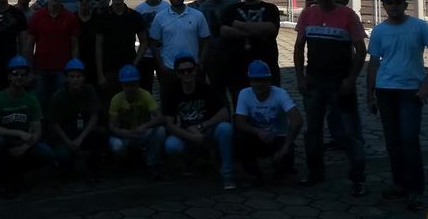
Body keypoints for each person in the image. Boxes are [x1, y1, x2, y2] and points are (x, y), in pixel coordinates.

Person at [367, 0, 428, 212]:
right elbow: (373, 63)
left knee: (409, 139)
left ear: (405, 4)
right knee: (392, 141)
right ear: (384, 5)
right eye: (389, 3)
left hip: (410, 92)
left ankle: (415, 189)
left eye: (397, 2)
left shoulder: (420, 27)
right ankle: (399, 184)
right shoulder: (380, 31)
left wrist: (425, 85)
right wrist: (369, 95)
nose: (393, 6)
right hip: (385, 91)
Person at [294, 0, 368, 196]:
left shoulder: (348, 16)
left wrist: (351, 79)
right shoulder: (308, 15)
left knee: (350, 131)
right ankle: (315, 172)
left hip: (341, 84)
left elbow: (360, 50)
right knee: (313, 131)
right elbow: (298, 47)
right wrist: (300, 77)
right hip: (315, 82)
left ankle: (358, 178)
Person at [162, 54, 235, 189]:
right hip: (185, 134)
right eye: (182, 71)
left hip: (205, 131)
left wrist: (201, 126)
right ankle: (190, 161)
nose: (186, 74)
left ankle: (227, 174)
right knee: (171, 145)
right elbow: (169, 125)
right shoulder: (172, 92)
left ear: (195, 70)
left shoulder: (205, 88)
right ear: (177, 74)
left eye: (189, 70)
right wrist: (192, 137)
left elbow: (225, 113)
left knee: (225, 128)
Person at [0, 55, 53, 195]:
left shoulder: (31, 99)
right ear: (9, 76)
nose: (19, 77)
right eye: (15, 73)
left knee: (46, 152)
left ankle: (18, 173)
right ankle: (6, 174)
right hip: (6, 142)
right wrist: (18, 133)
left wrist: (24, 147)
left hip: (24, 142)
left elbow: (38, 130)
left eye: (23, 74)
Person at [217, 0, 281, 107]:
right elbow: (225, 31)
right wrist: (256, 31)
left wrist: (239, 24)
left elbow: (270, 29)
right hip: (239, 68)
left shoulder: (270, 9)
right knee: (241, 106)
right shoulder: (231, 10)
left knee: (270, 104)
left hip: (267, 65)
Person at [234, 60, 302, 185]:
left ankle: (280, 165)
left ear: (269, 80)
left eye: (263, 80)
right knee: (239, 138)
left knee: (284, 164)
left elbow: (297, 119)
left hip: (278, 137)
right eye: (255, 81)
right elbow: (239, 122)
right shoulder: (244, 94)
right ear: (250, 81)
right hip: (257, 137)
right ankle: (253, 172)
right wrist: (257, 131)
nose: (259, 84)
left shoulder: (280, 93)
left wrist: (286, 146)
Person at [149, 0, 210, 106]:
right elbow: (153, 43)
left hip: (192, 70)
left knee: (196, 104)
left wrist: (200, 63)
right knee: (168, 104)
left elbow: (206, 40)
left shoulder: (197, 16)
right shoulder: (160, 17)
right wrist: (161, 66)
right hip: (170, 70)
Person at [27, 0, 80, 113]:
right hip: (41, 69)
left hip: (62, 69)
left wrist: (73, 70)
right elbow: (29, 45)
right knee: (40, 104)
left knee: (60, 105)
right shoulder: (37, 17)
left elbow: (74, 46)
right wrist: (30, 70)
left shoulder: (70, 18)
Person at [47, 59, 105, 181]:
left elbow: (95, 116)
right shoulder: (59, 96)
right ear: (67, 78)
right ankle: (68, 167)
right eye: (72, 76)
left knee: (101, 133)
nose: (75, 79)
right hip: (65, 134)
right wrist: (68, 141)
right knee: (63, 156)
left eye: (78, 76)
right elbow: (54, 123)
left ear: (83, 78)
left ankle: (94, 168)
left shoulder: (89, 90)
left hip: (83, 132)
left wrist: (81, 138)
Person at [107, 64, 166, 177]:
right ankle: (122, 163)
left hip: (141, 132)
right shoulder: (116, 99)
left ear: (137, 84)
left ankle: (151, 163)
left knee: (161, 131)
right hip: (124, 135)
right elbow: (112, 126)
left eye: (132, 84)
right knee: (116, 145)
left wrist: (145, 126)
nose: (130, 88)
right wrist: (125, 133)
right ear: (122, 85)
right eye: (127, 85)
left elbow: (160, 117)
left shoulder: (145, 95)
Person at [96, 0, 147, 100]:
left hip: (129, 67)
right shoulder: (102, 17)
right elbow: (98, 46)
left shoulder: (135, 17)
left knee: (130, 105)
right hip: (109, 69)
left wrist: (135, 63)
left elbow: (144, 42)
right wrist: (100, 74)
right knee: (110, 106)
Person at [326, 0, 354, 151]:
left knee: (346, 107)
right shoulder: (326, 14)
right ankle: (338, 137)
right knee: (333, 107)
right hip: (326, 69)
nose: (341, 1)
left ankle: (350, 138)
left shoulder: (349, 16)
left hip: (344, 69)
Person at [135, 0, 169, 93]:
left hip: (163, 53)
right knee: (145, 88)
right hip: (146, 55)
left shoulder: (166, 7)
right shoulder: (139, 10)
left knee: (166, 87)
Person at [74, 0, 100, 85]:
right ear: (76, 0)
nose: (84, 2)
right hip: (76, 65)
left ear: (91, 0)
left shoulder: (98, 19)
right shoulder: (72, 19)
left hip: (94, 66)